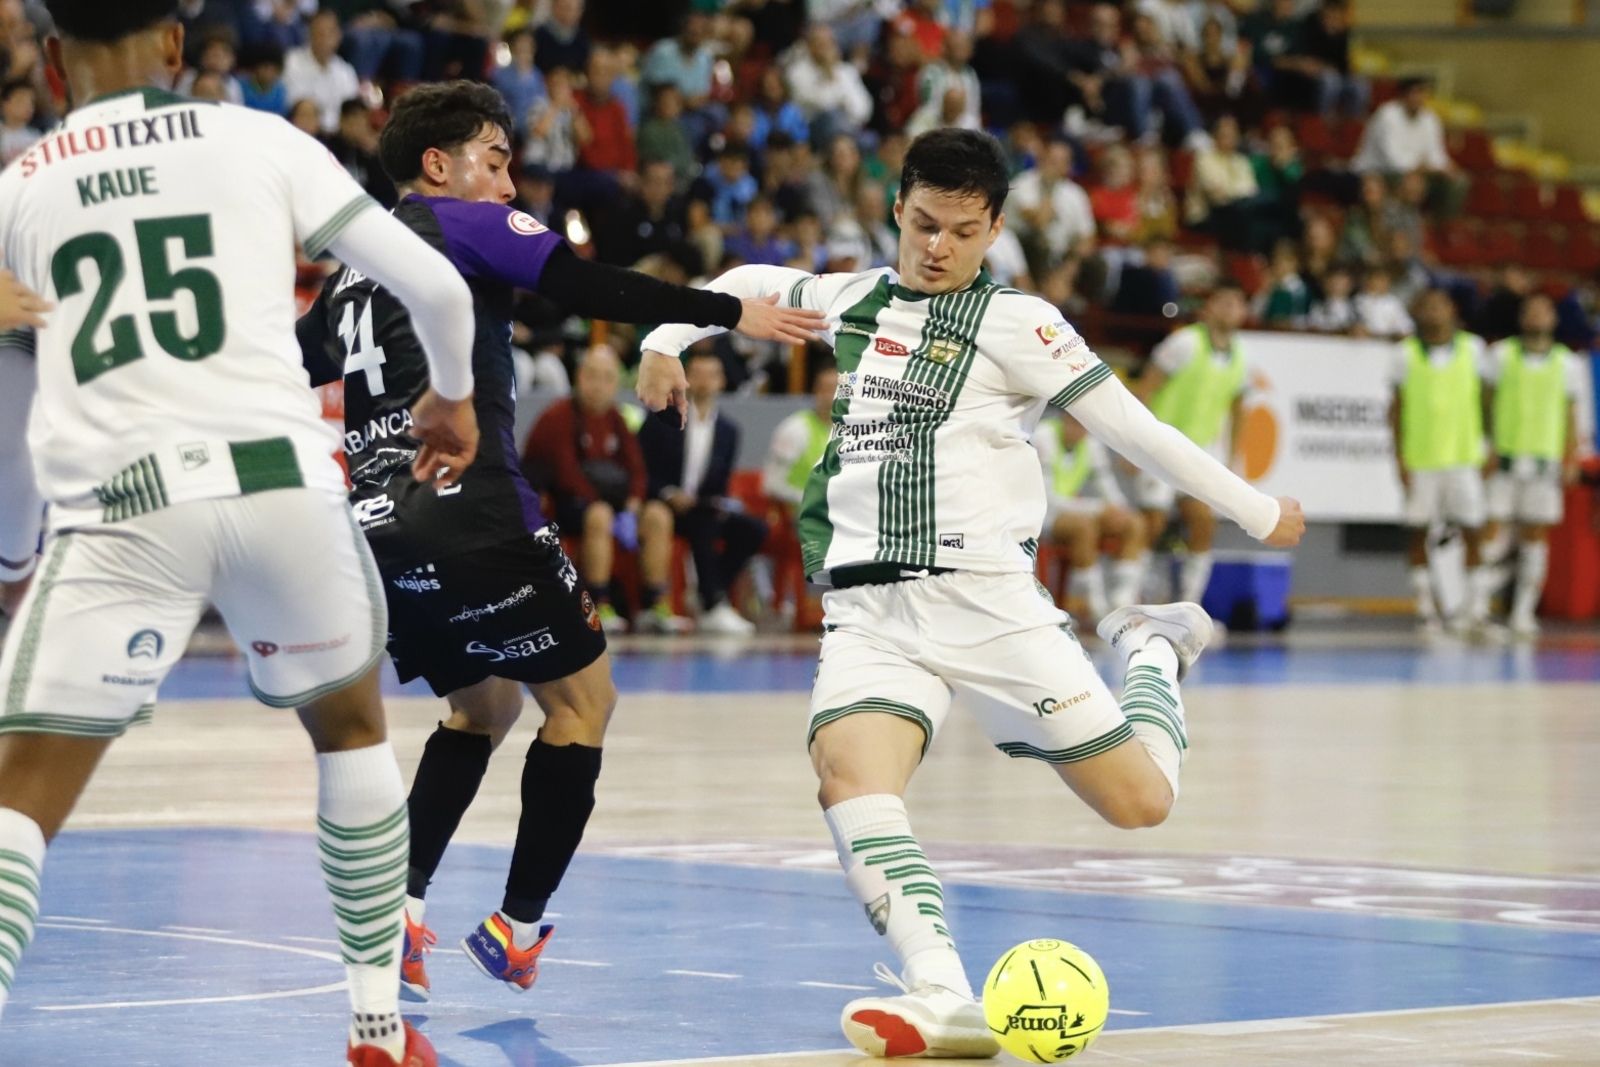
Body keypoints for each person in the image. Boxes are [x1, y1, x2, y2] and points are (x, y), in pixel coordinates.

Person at [636, 127, 1303, 1058]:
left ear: (992, 228)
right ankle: (940, 991)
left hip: (988, 605)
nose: (936, 246)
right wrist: (667, 337)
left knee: (1140, 803)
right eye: (921, 224)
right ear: (897, 208)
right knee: (850, 779)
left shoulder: (1018, 323)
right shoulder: (856, 295)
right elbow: (748, 280)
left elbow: (1136, 430)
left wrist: (1256, 509)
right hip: (868, 607)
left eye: (959, 229)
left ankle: (1150, 645)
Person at [0, 3, 485, 1065]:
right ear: (176, 47)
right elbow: (438, 284)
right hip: (279, 488)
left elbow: (9, 370)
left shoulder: (21, 187)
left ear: (48, 62)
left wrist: (11, 544)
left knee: (17, 800)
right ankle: (375, 1020)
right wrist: (450, 397)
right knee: (351, 730)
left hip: (121, 508)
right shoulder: (263, 140)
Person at [296, 81, 822, 1004]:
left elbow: (289, 360)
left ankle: (399, 910)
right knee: (583, 703)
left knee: (482, 709)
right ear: (439, 166)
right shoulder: (458, 222)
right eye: (495, 160)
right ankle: (517, 927)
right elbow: (583, 282)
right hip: (476, 507)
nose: (506, 184)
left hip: (379, 525)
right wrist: (725, 312)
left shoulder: (350, 268)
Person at [524, 344, 685, 635]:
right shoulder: (556, 417)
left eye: (607, 378)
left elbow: (636, 467)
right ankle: (599, 600)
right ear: (579, 377)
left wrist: (634, 503)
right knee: (599, 515)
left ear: (615, 384)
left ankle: (653, 603)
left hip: (611, 504)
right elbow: (566, 474)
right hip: (560, 506)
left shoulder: (616, 418)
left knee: (658, 514)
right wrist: (609, 508)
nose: (598, 385)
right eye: (592, 376)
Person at [1135, 281, 1251, 608]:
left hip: (1199, 452)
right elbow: (1146, 388)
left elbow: (1239, 408)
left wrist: (1231, 457)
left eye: (1236, 303)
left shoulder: (1241, 356)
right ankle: (1131, 598)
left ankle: (1189, 606)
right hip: (1159, 446)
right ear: (1209, 307)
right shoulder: (1185, 342)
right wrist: (1131, 443)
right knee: (1152, 523)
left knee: (1202, 522)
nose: (1230, 309)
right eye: (1224, 301)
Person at [638, 349, 770, 635]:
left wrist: (716, 502)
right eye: (696, 375)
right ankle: (712, 603)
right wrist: (668, 493)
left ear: (721, 381)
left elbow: (719, 483)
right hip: (664, 506)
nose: (704, 382)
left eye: (711, 376)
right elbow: (641, 470)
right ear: (685, 380)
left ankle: (713, 591)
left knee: (753, 529)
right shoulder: (661, 418)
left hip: (703, 506)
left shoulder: (728, 431)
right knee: (704, 526)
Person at [1481, 293, 1585, 636]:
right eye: (1530, 310)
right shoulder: (1501, 355)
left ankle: (1523, 614)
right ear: (1521, 317)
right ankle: (1477, 608)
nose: (1537, 316)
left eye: (1543, 310)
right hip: (1506, 460)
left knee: (1534, 539)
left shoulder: (1568, 362)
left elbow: (1571, 415)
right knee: (1493, 538)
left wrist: (1570, 456)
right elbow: (1485, 402)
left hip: (1544, 463)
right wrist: (1486, 446)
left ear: (1554, 319)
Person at [1389, 288, 1491, 632]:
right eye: (1427, 307)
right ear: (1419, 313)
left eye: (1440, 306)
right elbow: (1396, 410)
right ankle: (1426, 607)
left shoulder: (1474, 350)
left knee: (1474, 530)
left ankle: (1474, 608)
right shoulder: (1404, 354)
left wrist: (1489, 446)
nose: (1434, 312)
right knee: (1417, 532)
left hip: (1464, 458)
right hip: (1421, 459)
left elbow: (1488, 401)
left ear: (1453, 310)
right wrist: (1399, 456)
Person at [1035, 412, 1150, 622]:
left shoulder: (1091, 443)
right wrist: (1100, 509)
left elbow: (1106, 485)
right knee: (1085, 527)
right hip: (1041, 514)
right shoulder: (1044, 436)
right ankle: (1094, 606)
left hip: (1074, 511)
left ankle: (1122, 602)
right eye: (1074, 423)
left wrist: (1119, 511)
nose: (1079, 430)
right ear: (1064, 419)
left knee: (1135, 523)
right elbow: (1048, 498)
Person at [283, 9, 359, 134]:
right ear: (309, 34)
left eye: (330, 33)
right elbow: (294, 107)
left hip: (338, 138)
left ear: (339, 36)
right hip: (302, 134)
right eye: (319, 33)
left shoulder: (346, 71)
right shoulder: (291, 62)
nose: (324, 39)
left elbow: (351, 113)